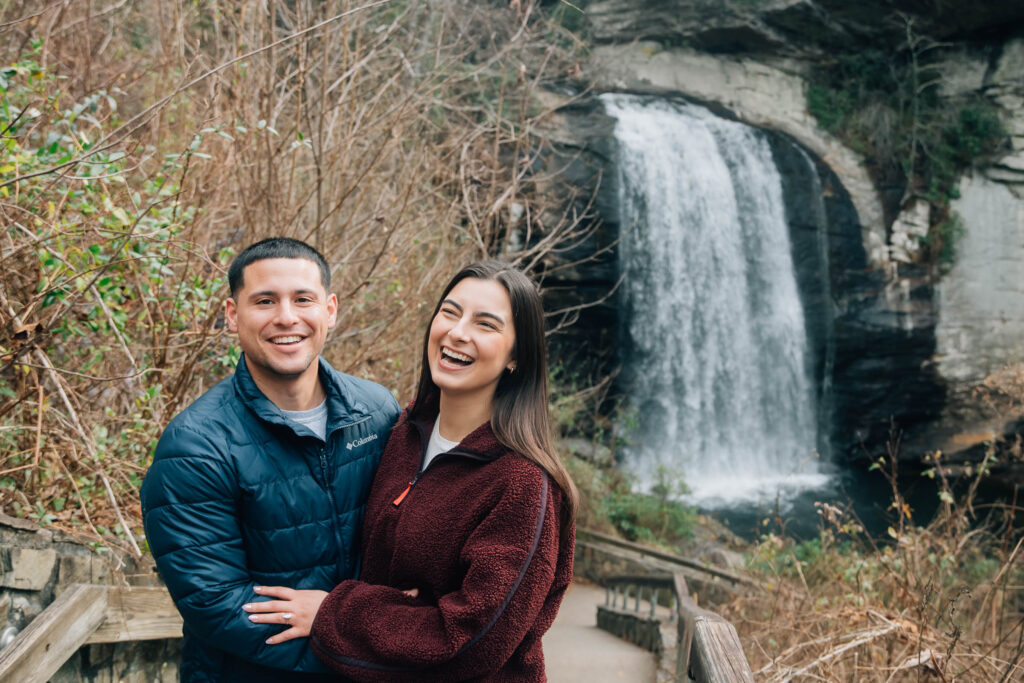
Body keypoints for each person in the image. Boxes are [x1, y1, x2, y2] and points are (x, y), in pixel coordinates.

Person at [244, 260, 579, 681]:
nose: (458, 333)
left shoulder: (524, 483)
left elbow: (473, 639)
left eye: (486, 324)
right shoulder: (401, 435)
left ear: (516, 356)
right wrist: (402, 610)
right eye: (450, 312)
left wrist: (334, 613)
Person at [140, 237, 400, 682]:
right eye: (265, 301)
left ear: (330, 310)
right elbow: (216, 605)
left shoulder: (378, 413)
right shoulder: (195, 446)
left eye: (303, 299)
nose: (286, 317)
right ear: (232, 314)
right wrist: (369, 647)